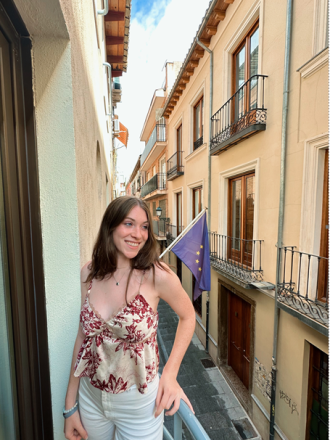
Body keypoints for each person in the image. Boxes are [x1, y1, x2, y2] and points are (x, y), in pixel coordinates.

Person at [64, 196, 196, 440]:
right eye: (129, 224)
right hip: (91, 397)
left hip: (140, 405)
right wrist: (70, 406)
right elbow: (82, 338)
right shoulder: (89, 273)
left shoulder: (158, 276)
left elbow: (188, 317)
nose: (138, 234)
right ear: (110, 226)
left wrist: (170, 372)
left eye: (144, 226)